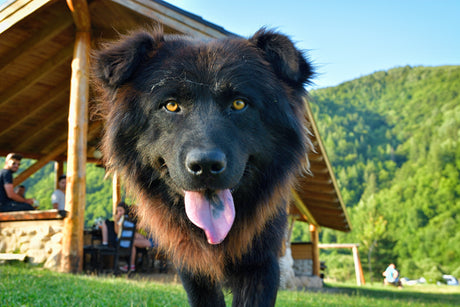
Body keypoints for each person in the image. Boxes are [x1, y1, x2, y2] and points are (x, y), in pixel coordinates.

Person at [99, 202, 154, 272]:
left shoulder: (123, 219)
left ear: (125, 211)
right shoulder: (132, 221)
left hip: (122, 244)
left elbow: (117, 232)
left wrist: (116, 221)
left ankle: (105, 244)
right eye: (117, 211)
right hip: (130, 243)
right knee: (133, 244)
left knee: (106, 222)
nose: (118, 213)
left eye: (120, 210)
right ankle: (132, 266)